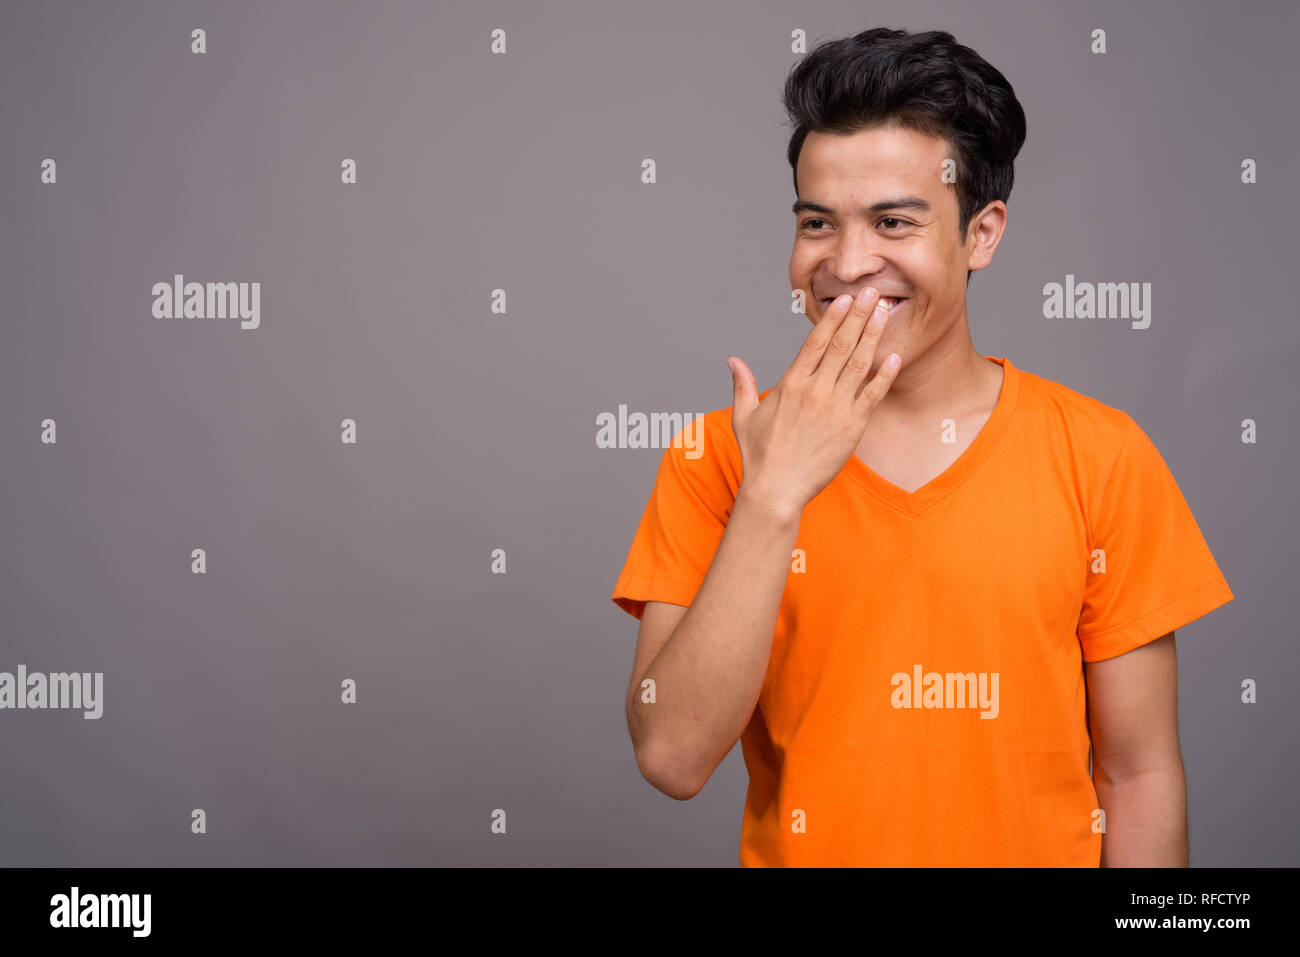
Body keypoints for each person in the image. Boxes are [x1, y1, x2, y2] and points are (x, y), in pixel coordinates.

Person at [610, 27, 1233, 866]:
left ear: (981, 234)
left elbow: (1139, 771)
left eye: (893, 221)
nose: (848, 262)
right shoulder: (714, 457)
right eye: (818, 222)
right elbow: (671, 756)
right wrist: (774, 495)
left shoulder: (1101, 454)